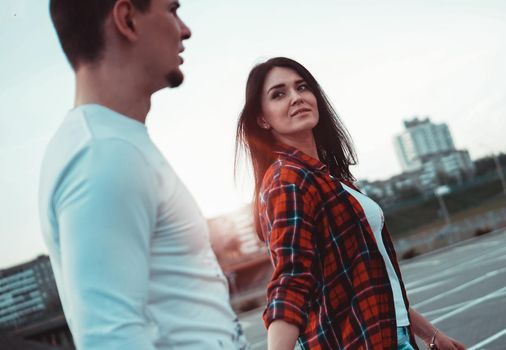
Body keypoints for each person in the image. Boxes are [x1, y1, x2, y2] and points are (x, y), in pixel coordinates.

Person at [39, 1, 248, 349]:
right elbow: (111, 340)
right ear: (127, 20)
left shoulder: (112, 144)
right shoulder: (102, 154)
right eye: (172, 10)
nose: (185, 30)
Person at [235, 57, 466, 350]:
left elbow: (369, 279)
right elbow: (291, 281)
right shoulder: (288, 180)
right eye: (279, 94)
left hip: (389, 335)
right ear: (262, 118)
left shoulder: (328, 179)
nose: (296, 98)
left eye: (302, 87)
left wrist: (431, 334)